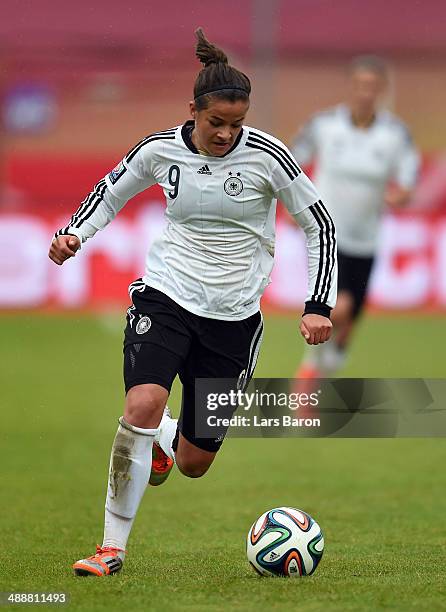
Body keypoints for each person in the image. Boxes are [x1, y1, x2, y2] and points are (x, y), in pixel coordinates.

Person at [49, 28, 337, 577]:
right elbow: (112, 192)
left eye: (236, 123)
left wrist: (316, 303)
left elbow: (317, 221)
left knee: (193, 463)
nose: (227, 134)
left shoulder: (269, 157)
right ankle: (111, 548)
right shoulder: (159, 150)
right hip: (167, 295)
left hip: (233, 321)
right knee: (141, 403)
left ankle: (164, 438)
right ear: (194, 111)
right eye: (216, 123)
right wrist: (74, 234)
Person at [292, 55, 419, 380]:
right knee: (339, 307)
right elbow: (290, 164)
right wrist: (293, 205)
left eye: (373, 86)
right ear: (351, 86)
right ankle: (309, 372)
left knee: (348, 318)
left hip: (366, 240)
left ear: (382, 90)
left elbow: (407, 181)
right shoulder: (324, 125)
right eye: (361, 85)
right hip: (326, 234)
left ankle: (329, 360)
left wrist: (399, 195)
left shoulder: (395, 135)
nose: (366, 92)